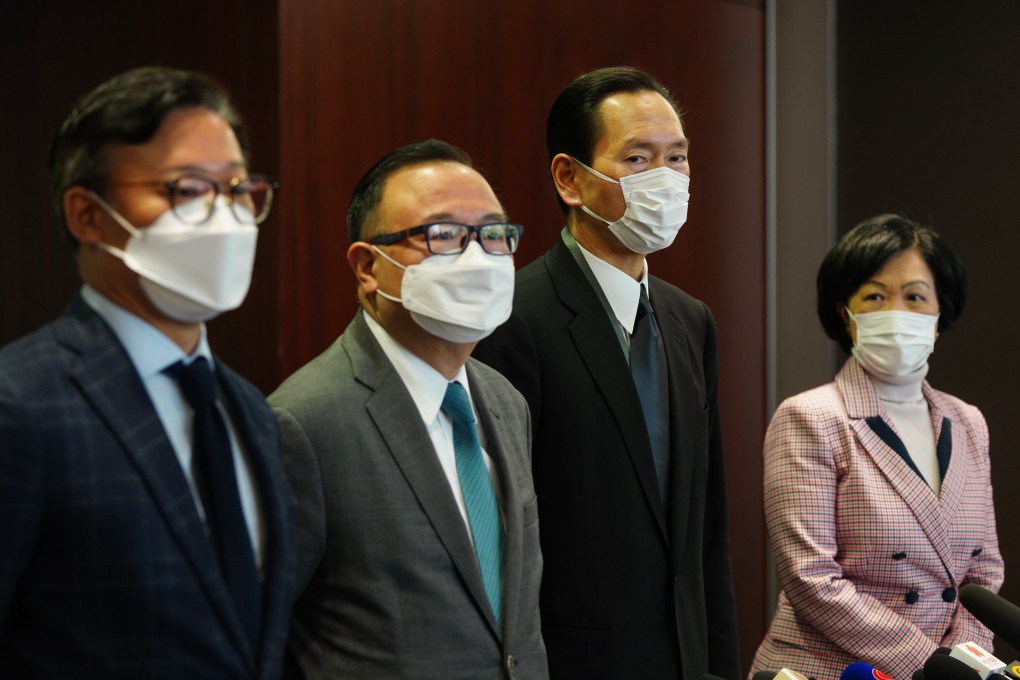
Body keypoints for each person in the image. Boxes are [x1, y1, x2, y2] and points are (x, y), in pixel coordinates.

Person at [0, 67, 294, 677]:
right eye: (187, 190)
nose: (226, 217)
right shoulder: (21, 403)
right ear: (87, 215)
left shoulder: (250, 411)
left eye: (239, 190)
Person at [473, 66, 740, 679]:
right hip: (575, 661)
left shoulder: (689, 320)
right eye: (639, 159)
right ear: (570, 178)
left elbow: (708, 530)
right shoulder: (514, 319)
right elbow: (504, 535)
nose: (666, 180)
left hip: (686, 658)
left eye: (678, 158)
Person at [269, 139, 548, 679]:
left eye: (493, 234)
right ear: (368, 266)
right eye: (442, 235)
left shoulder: (506, 403)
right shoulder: (304, 422)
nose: (476, 258)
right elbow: (255, 638)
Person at [749, 214, 1004, 680]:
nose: (897, 312)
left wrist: (961, 663)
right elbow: (812, 579)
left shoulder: (968, 422)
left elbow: (983, 571)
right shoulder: (811, 416)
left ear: (939, 317)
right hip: (833, 669)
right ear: (846, 316)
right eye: (875, 296)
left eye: (914, 296)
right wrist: (926, 663)